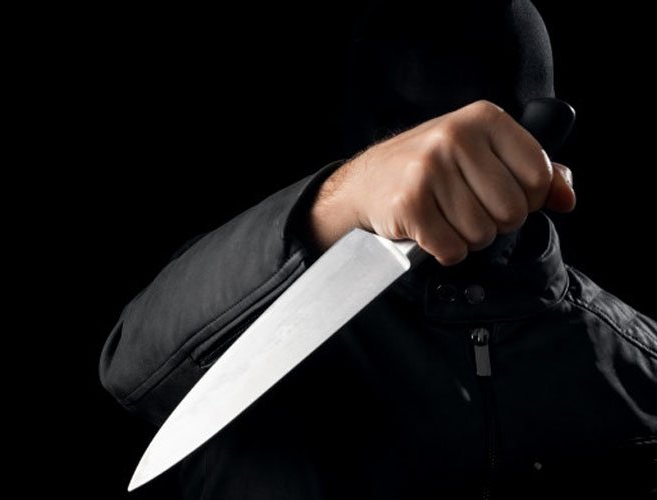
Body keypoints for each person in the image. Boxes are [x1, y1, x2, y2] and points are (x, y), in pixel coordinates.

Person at [100, 1, 657, 498]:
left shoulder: (641, 362)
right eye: (402, 137)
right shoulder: (255, 324)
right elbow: (130, 371)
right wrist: (339, 202)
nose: (429, 166)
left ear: (539, 133)